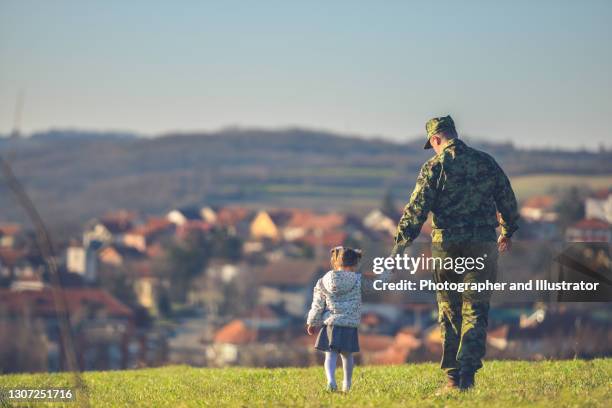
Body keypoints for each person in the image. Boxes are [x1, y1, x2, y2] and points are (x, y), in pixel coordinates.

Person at [393, 115, 519, 391]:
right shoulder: (485, 162)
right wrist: (507, 232)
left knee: (450, 311)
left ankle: (452, 377)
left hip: (447, 246)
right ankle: (468, 377)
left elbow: (416, 210)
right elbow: (507, 199)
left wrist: (401, 244)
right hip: (482, 244)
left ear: (436, 139)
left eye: (433, 144)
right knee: (475, 310)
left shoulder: (434, 166)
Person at [306, 246, 391, 392]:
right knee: (347, 356)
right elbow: (377, 285)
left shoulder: (322, 281)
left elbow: (317, 305)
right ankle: (347, 384)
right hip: (349, 325)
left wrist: (312, 322)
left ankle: (331, 382)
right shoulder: (358, 280)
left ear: (335, 262)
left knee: (330, 356)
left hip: (331, 324)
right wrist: (388, 272)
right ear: (355, 263)